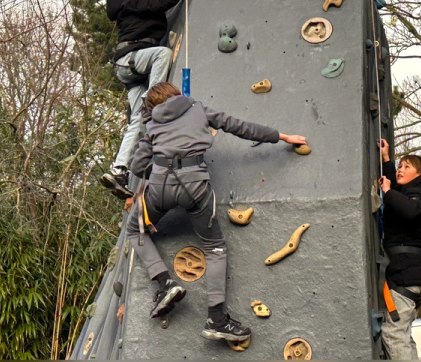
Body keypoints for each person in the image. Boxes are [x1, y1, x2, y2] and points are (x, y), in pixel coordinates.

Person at [127, 82, 307, 342]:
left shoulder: (152, 124)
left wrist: (156, 171)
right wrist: (283, 137)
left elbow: (136, 166)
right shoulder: (197, 109)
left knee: (135, 230)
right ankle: (216, 319)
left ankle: (165, 283)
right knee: (215, 247)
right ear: (177, 94)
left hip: (160, 187)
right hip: (194, 186)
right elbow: (240, 127)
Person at [100, 0, 200, 199]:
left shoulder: (138, 3)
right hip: (132, 58)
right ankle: (151, 102)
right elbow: (162, 1)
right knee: (162, 54)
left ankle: (118, 170)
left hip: (132, 69)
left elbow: (167, 6)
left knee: (137, 121)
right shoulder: (134, 1)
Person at [377, 139, 421, 360]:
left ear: (419, 175)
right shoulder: (413, 192)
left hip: (407, 274)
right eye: (400, 166)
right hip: (412, 273)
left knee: (394, 332)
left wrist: (387, 192)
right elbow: (399, 192)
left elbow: (410, 210)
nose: (400, 170)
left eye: (407, 167)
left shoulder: (420, 195)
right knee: (403, 334)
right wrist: (387, 160)